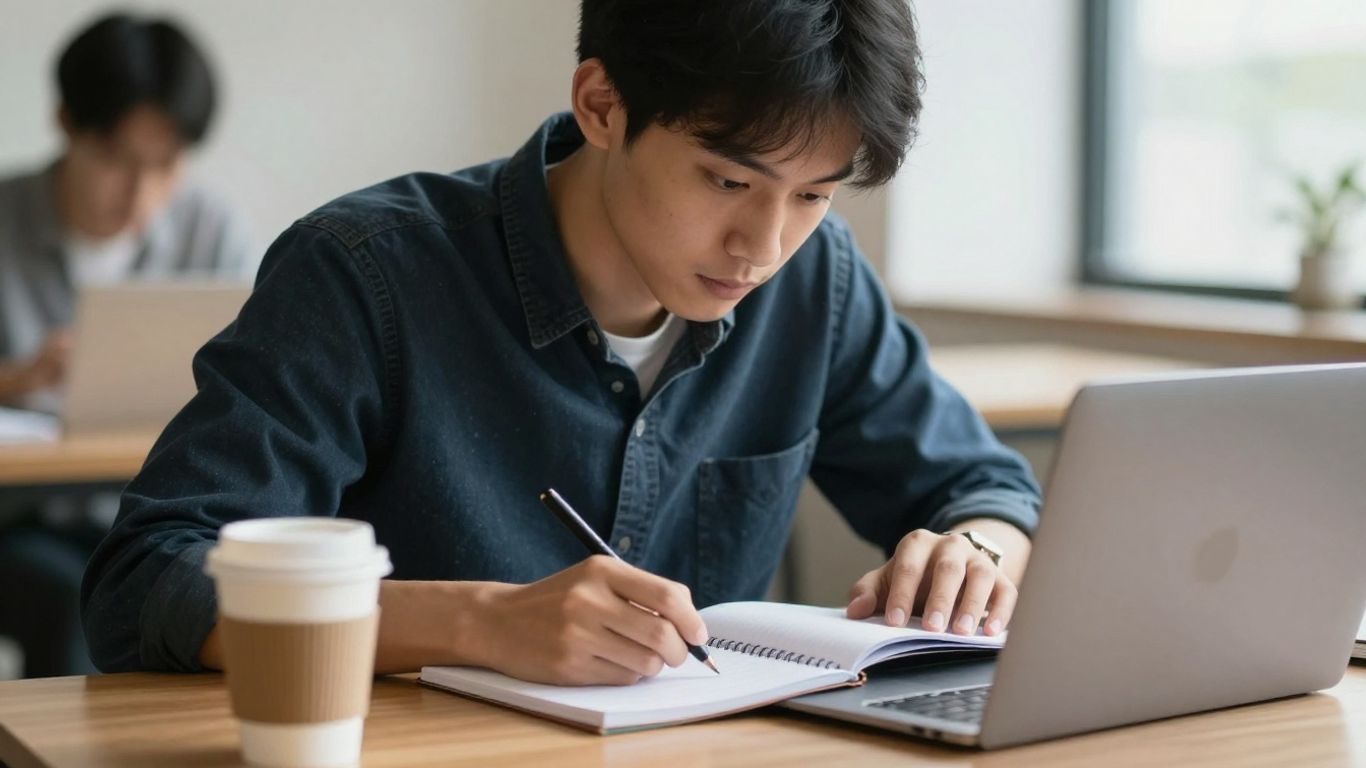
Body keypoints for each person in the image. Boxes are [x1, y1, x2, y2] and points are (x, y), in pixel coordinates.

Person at [83, 0, 1042, 686]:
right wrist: (479, 622)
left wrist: (976, 554)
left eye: (816, 195)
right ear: (600, 104)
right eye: (725, 181)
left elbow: (988, 492)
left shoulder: (816, 282)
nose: (765, 247)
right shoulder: (366, 274)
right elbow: (147, 582)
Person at [0, 12, 253, 677]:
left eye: (165, 166)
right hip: (23, 520)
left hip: (165, 517)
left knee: (224, 596)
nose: (141, 194)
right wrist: (16, 379)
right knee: (69, 598)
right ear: (65, 124)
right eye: (116, 160)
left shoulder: (212, 232)